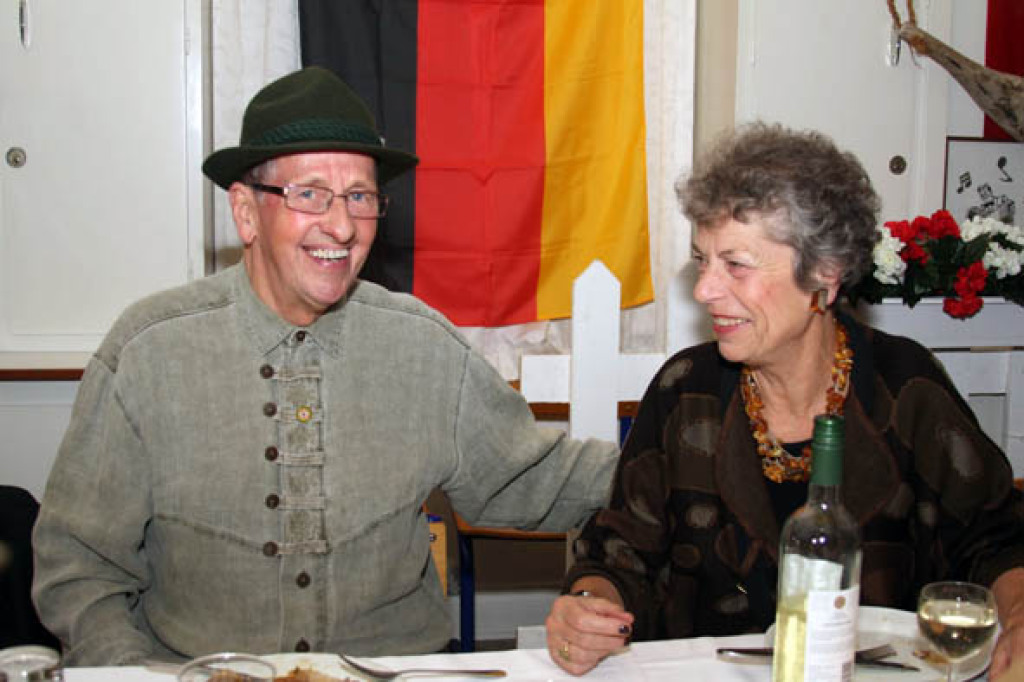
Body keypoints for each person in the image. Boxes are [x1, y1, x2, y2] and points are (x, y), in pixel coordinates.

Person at [31, 66, 618, 666]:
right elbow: (79, 569)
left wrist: (662, 460)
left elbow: (536, 478)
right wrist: (129, 675)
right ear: (246, 212)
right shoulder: (146, 354)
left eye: (360, 197)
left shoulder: (424, 349)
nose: (341, 227)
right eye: (309, 193)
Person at [543, 122, 1024, 678]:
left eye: (736, 265)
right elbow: (618, 554)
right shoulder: (686, 392)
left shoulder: (907, 386)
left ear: (824, 273)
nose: (704, 289)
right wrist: (587, 606)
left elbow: (998, 540)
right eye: (702, 261)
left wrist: (1018, 616)